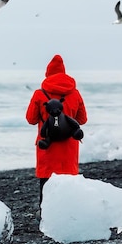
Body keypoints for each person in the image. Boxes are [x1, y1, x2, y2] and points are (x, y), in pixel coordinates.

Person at [26, 54, 88, 209]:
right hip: (69, 145)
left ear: (47, 74)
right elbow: (83, 119)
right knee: (68, 180)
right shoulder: (75, 93)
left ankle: (46, 214)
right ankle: (68, 212)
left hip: (47, 144)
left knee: (46, 181)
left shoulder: (40, 94)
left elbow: (31, 119)